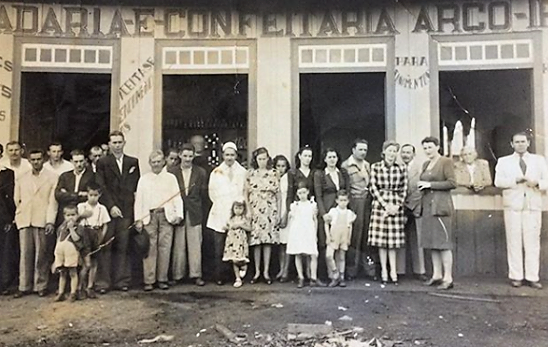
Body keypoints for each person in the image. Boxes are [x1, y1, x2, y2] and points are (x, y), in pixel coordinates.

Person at [494, 132, 548, 289]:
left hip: (532, 205)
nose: (520, 144)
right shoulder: (504, 161)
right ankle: (516, 276)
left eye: (523, 141)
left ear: (528, 143)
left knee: (532, 242)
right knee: (514, 241)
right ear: (512, 144)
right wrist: (514, 180)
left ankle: (532, 277)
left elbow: (546, 180)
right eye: (517, 142)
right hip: (513, 205)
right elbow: (498, 181)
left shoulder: (539, 160)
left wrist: (537, 183)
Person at [95, 131, 140, 293]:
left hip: (126, 211)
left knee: (123, 246)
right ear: (109, 144)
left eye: (120, 142)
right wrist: (111, 206)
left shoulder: (133, 162)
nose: (117, 145)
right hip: (108, 211)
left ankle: (122, 280)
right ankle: (103, 283)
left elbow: (135, 188)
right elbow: (101, 187)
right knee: (106, 246)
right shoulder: (102, 162)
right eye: (114, 142)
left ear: (124, 143)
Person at [134, 151, 184, 291]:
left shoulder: (170, 178)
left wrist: (178, 214)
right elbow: (139, 201)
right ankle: (149, 280)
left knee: (165, 247)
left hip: (166, 216)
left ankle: (162, 279)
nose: (156, 164)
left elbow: (177, 197)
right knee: (150, 247)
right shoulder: (144, 179)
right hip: (149, 216)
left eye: (159, 161)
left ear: (163, 162)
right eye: (153, 162)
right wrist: (138, 219)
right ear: (150, 163)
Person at [13, 149, 58, 298]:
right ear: (29, 160)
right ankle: (24, 285)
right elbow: (17, 199)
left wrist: (50, 221)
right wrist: (20, 214)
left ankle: (41, 285)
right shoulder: (22, 177)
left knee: (41, 254)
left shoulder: (52, 177)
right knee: (25, 253)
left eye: (38, 159)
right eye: (33, 160)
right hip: (25, 218)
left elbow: (53, 202)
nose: (36, 162)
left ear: (43, 159)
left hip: (42, 218)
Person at [418, 137, 456, 290]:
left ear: (438, 147)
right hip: (428, 206)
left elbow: (452, 183)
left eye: (430, 147)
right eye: (425, 148)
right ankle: (436, 275)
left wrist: (430, 184)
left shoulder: (445, 162)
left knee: (443, 243)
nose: (428, 150)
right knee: (432, 243)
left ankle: (448, 278)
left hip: (440, 207)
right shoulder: (426, 164)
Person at [368, 141, 408, 285]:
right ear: (384, 152)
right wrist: (385, 205)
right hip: (380, 205)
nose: (392, 154)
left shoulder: (401, 168)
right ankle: (384, 270)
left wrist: (397, 206)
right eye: (389, 151)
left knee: (393, 242)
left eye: (394, 151)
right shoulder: (376, 167)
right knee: (381, 242)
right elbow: (373, 187)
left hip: (396, 204)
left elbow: (404, 188)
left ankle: (393, 271)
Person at [207, 142, 247, 285]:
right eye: (227, 155)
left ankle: (235, 276)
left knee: (236, 245)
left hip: (237, 212)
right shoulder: (216, 172)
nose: (229, 158)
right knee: (219, 245)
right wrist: (221, 206)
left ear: (236, 155)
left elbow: (244, 191)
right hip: (220, 212)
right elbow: (211, 193)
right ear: (222, 155)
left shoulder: (242, 171)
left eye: (232, 155)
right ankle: (220, 276)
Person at [169, 144, 207, 286]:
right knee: (179, 244)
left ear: (194, 157)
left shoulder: (200, 172)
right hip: (178, 210)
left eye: (190, 156)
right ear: (180, 155)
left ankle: (196, 274)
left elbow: (203, 194)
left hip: (194, 210)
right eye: (185, 156)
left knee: (195, 243)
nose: (187, 159)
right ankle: (177, 275)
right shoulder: (172, 172)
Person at [246, 147, 280, 285]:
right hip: (255, 209)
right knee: (256, 242)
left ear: (268, 159)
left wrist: (278, 211)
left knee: (267, 241)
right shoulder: (250, 174)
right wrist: (248, 210)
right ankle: (257, 271)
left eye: (264, 158)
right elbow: (246, 193)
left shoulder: (273, 173)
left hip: (269, 209)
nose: (262, 161)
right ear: (255, 160)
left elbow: (278, 194)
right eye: (259, 159)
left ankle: (266, 271)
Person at [314, 148, 350, 282]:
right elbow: (318, 195)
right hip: (327, 208)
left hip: (341, 209)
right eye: (329, 157)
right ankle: (329, 274)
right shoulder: (320, 174)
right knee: (327, 242)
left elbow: (347, 191)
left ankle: (340, 275)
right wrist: (323, 213)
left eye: (334, 157)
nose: (332, 160)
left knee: (340, 242)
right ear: (325, 159)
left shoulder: (343, 173)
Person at [341, 139, 373, 280]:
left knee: (366, 234)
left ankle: (367, 269)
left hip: (367, 201)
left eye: (365, 150)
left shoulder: (367, 165)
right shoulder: (346, 166)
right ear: (353, 150)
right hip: (354, 201)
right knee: (354, 235)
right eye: (360, 149)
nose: (363, 152)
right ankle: (351, 270)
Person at [397, 144, 427, 281]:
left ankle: (419, 271)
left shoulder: (420, 168)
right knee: (399, 239)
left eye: (408, 152)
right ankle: (399, 270)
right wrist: (400, 206)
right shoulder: (398, 168)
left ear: (413, 154)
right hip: (400, 208)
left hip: (415, 208)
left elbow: (419, 190)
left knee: (418, 239)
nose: (405, 155)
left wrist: (409, 207)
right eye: (403, 153)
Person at [77, 182, 111, 299]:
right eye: (90, 195)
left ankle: (90, 287)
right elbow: (74, 221)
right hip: (84, 233)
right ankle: (80, 287)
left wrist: (102, 237)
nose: (93, 197)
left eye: (95, 195)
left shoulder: (102, 208)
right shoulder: (81, 206)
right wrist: (82, 215)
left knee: (94, 263)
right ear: (87, 194)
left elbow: (106, 224)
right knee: (85, 264)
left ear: (99, 195)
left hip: (96, 233)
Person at [286, 181, 322, 288]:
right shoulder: (295, 205)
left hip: (309, 231)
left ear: (308, 192)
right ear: (297, 194)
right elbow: (291, 220)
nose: (302, 195)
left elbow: (315, 220)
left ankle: (313, 278)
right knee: (298, 254)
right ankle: (300, 277)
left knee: (313, 254)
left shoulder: (312, 205)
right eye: (300, 193)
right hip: (298, 231)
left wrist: (315, 234)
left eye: (304, 192)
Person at [324, 190, 356, 287]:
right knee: (329, 255)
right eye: (341, 200)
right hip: (334, 235)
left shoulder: (349, 213)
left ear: (348, 201)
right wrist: (328, 236)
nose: (343, 202)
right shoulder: (333, 211)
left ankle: (341, 277)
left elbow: (350, 226)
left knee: (341, 257)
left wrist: (348, 238)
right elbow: (326, 224)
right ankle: (335, 273)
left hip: (344, 235)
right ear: (337, 201)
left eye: (345, 200)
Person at [52, 205, 84, 302]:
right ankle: (61, 292)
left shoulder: (79, 227)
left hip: (72, 251)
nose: (70, 217)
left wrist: (71, 229)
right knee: (62, 272)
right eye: (68, 215)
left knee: (72, 272)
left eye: (73, 215)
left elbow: (76, 239)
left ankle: (73, 293)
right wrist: (55, 255)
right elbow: (58, 239)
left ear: (77, 215)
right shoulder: (61, 228)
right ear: (64, 216)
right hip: (61, 251)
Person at [55, 150, 96, 224]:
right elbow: (58, 195)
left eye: (81, 161)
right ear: (71, 161)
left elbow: (92, 195)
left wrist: (67, 194)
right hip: (66, 214)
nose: (79, 164)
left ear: (85, 161)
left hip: (84, 213)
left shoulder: (93, 176)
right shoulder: (65, 176)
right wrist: (78, 194)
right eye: (76, 162)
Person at [222, 201, 252, 288]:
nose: (238, 210)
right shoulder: (231, 219)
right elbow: (228, 227)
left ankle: (243, 267)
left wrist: (240, 226)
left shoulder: (244, 219)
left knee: (241, 259)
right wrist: (227, 228)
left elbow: (249, 228)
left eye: (240, 208)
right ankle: (237, 278)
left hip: (240, 243)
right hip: (232, 242)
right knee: (234, 260)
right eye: (236, 208)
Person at [0, 144, 16, 295]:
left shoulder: (7, 174)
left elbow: (10, 198)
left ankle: (3, 284)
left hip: (2, 217)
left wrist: (9, 218)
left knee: (3, 251)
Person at [272, 155, 291, 282]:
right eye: (278, 166)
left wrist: (285, 214)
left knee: (286, 243)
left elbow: (288, 197)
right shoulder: (272, 178)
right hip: (274, 210)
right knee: (279, 244)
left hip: (285, 209)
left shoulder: (288, 178)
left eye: (283, 166)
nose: (280, 168)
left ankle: (286, 270)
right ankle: (280, 268)